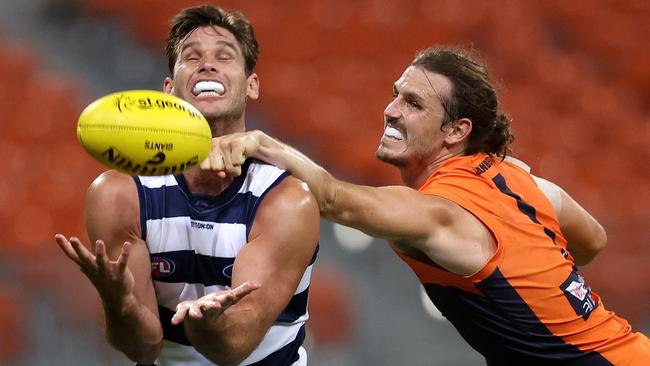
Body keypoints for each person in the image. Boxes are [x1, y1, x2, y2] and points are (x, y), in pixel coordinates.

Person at [205, 46, 650, 364]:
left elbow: (331, 197)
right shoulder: (520, 178)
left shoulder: (437, 211)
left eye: (412, 103)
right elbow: (593, 240)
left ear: (456, 131)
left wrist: (259, 142)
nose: (391, 110)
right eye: (396, 93)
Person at [55, 5, 319, 366]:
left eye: (224, 56)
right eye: (191, 57)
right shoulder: (119, 195)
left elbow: (232, 348)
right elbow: (143, 348)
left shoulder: (287, 201)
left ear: (252, 84)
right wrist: (118, 303)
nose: (207, 65)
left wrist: (203, 323)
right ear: (169, 89)